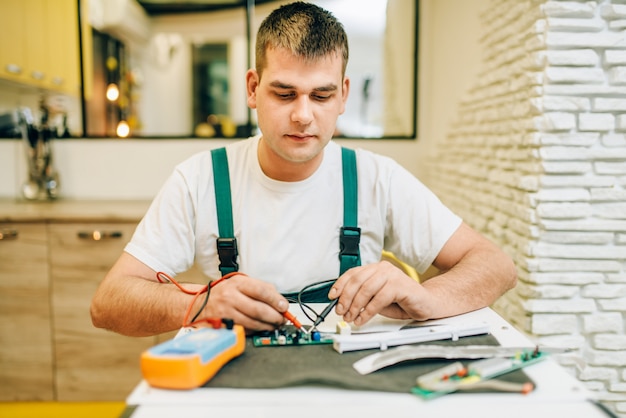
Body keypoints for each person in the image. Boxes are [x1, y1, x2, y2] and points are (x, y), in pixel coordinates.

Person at [90, 1, 517, 337]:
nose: (303, 116)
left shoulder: (376, 178)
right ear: (253, 89)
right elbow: (108, 303)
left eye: (321, 96)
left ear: (344, 95)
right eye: (285, 93)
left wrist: (425, 297)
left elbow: (496, 266)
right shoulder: (199, 179)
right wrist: (198, 304)